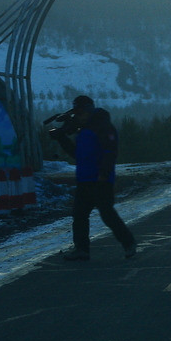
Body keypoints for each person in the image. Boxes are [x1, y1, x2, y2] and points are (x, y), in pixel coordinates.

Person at [50, 95, 136, 261]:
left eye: (80, 112)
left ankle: (128, 243)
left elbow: (110, 151)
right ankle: (82, 250)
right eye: (76, 113)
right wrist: (61, 138)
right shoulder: (84, 130)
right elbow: (77, 154)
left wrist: (104, 173)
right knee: (80, 215)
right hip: (84, 179)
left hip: (100, 179)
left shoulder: (103, 127)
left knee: (107, 214)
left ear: (88, 111)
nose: (78, 116)